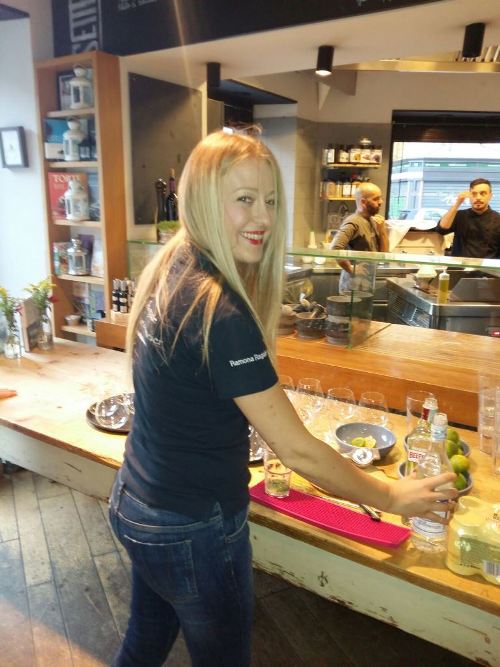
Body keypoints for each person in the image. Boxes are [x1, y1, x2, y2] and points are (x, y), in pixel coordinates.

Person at [108, 130, 457, 667]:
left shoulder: (174, 265)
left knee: (144, 642)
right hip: (192, 525)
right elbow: (296, 451)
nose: (263, 218)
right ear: (203, 201)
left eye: (270, 201)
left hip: (137, 500)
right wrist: (392, 498)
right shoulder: (221, 311)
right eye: (244, 199)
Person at [329, 182, 389, 294]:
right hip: (352, 288)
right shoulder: (353, 222)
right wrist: (352, 269)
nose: (381, 202)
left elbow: (384, 255)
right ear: (363, 202)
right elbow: (335, 248)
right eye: (376, 199)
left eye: (380, 198)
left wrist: (382, 231)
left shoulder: (372, 221)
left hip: (366, 286)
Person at [435, 178, 500, 258]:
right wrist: (457, 203)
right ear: (469, 196)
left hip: (488, 265)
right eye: (474, 194)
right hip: (459, 265)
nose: (478, 197)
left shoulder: (498, 219)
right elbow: (441, 229)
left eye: (483, 193)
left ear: (490, 196)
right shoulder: (460, 215)